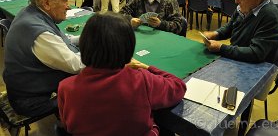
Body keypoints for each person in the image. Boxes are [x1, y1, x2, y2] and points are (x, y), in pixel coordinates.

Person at [58, 11, 186, 136]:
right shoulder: (142, 80)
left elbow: (68, 125)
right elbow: (179, 87)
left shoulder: (65, 87)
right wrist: (147, 67)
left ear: (84, 44)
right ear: (128, 47)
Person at [3, 0, 84, 117]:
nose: (68, 7)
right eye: (65, 1)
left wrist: (86, 38)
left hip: (23, 89)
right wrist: (104, 56)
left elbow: (60, 39)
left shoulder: (30, 13)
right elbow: (76, 65)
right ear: (47, 3)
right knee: (90, 88)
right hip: (31, 101)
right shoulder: (39, 32)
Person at [202, 0, 278, 63]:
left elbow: (255, 53)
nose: (236, 1)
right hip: (237, 59)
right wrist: (215, 34)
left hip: (254, 66)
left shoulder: (269, 15)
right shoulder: (245, 7)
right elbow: (230, 27)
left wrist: (221, 48)